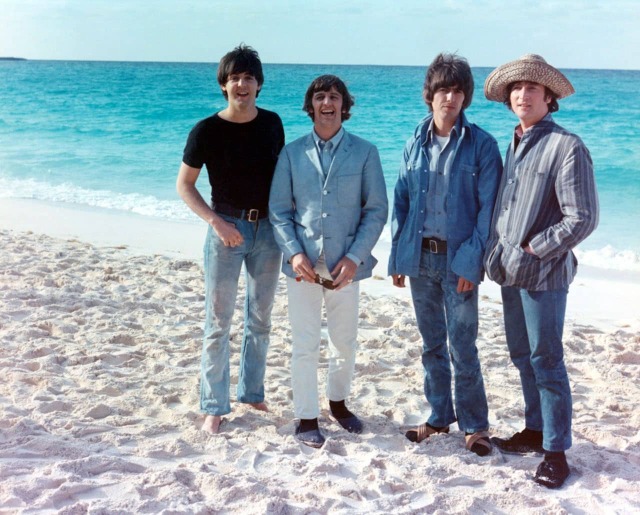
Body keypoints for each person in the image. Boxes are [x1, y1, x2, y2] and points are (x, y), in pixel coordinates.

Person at [483, 54, 599, 488]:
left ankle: (556, 452)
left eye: (533, 88)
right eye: (517, 88)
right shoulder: (513, 143)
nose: (522, 94)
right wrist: (497, 251)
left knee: (547, 360)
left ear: (549, 98)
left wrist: (537, 247)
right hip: (510, 272)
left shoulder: (566, 145)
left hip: (545, 275)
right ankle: (535, 429)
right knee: (521, 356)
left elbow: (582, 217)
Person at [388, 53, 503, 456]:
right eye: (443, 90)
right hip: (419, 259)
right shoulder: (413, 142)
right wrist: (398, 258)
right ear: (430, 95)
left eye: (457, 91)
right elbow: (400, 202)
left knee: (463, 346)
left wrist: (472, 261)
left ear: (465, 97)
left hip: (459, 261)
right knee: (431, 343)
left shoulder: (483, 146)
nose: (449, 98)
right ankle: (439, 417)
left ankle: (475, 426)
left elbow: (489, 213)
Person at [269, 75, 388, 448]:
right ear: (311, 106)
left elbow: (376, 210)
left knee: (345, 342)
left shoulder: (365, 152)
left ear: (344, 105)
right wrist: (295, 253)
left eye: (334, 97)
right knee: (304, 343)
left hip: (345, 268)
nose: (327, 103)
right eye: (320, 97)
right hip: (303, 268)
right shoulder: (291, 154)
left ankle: (338, 403)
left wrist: (355, 258)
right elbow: (278, 211)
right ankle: (306, 417)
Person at [176, 44, 285, 434]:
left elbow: (282, 179)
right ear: (224, 85)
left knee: (261, 318)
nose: (242, 84)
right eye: (235, 77)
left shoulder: (273, 123)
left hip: (268, 232)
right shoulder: (206, 130)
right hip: (225, 232)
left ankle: (252, 392)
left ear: (259, 85)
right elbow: (185, 186)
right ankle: (214, 405)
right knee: (218, 322)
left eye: (249, 77)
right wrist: (216, 223)